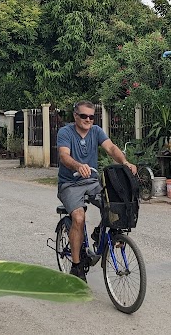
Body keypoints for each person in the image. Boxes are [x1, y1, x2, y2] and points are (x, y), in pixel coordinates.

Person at [57, 101, 136, 280]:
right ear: (75, 116)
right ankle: (76, 267)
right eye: (84, 116)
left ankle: (100, 232)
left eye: (91, 117)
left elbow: (111, 148)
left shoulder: (96, 131)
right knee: (78, 217)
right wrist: (78, 165)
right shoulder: (65, 132)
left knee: (114, 204)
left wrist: (125, 163)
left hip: (92, 181)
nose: (88, 120)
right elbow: (64, 156)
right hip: (69, 184)